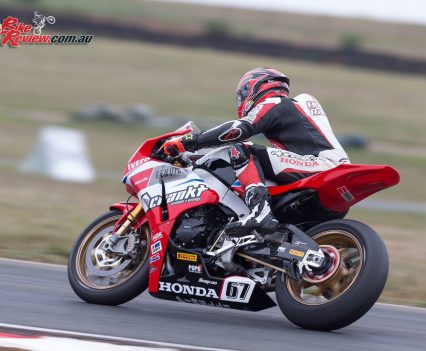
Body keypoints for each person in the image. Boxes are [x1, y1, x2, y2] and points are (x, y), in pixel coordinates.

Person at [162, 68, 350, 235]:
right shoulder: (296, 109)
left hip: (322, 165)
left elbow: (239, 130)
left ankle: (260, 213)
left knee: (240, 150)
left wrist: (190, 141)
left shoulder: (277, 103)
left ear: (255, 87)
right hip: (330, 176)